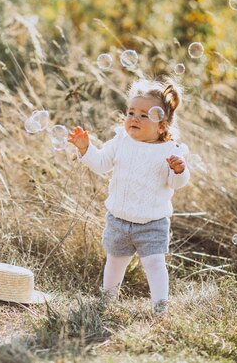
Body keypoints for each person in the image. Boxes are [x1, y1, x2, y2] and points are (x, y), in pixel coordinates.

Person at [67, 78, 189, 314]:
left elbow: (177, 183)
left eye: (144, 115)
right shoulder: (120, 141)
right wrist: (86, 148)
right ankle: (107, 300)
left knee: (155, 264)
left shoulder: (171, 151)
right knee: (114, 261)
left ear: (162, 126)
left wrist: (179, 169)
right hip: (119, 220)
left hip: (153, 222)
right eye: (131, 112)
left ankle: (160, 306)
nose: (134, 118)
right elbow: (101, 164)